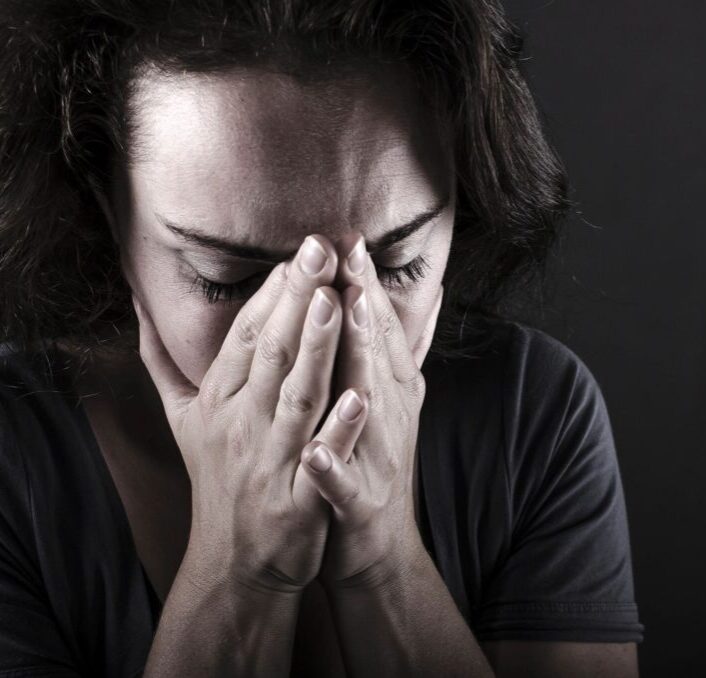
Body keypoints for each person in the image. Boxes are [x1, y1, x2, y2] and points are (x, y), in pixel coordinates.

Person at [0, 0, 643, 675]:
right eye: (229, 279)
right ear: (107, 212)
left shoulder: (530, 412)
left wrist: (384, 563)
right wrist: (239, 571)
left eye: (398, 264)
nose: (320, 335)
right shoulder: (18, 455)